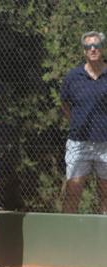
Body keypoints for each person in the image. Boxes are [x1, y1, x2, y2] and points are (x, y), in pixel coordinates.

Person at [60, 31, 107, 214]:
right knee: (73, 190)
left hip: (105, 145)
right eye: (88, 46)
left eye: (96, 45)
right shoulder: (73, 77)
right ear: (84, 51)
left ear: (102, 48)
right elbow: (64, 104)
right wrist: (76, 122)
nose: (93, 49)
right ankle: (66, 234)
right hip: (78, 144)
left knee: (105, 192)